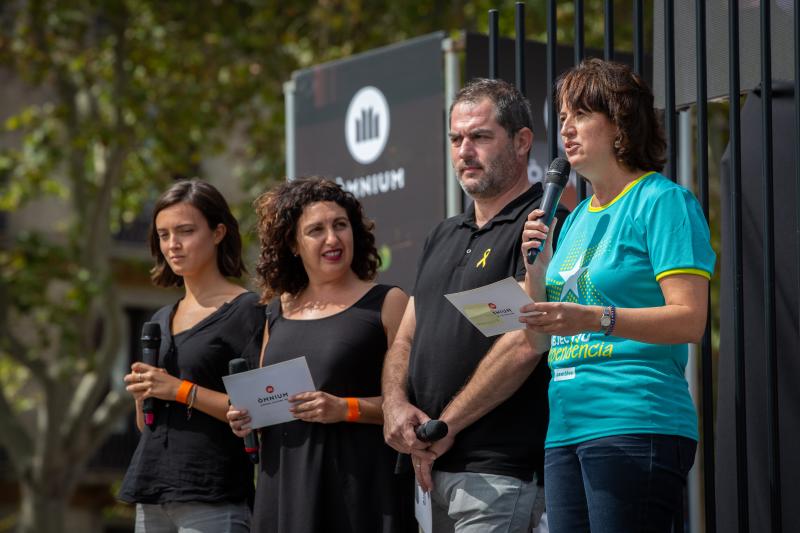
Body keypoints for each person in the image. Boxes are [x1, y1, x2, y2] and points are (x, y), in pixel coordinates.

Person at [518, 58, 716, 533]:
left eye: (581, 114)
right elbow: (540, 338)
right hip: (565, 426)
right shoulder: (575, 215)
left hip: (634, 417)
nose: (566, 127)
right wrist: (537, 267)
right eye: (562, 117)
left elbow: (689, 320)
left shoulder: (662, 201)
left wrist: (594, 318)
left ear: (621, 121)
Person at [382, 78, 568, 533]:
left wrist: (443, 427)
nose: (465, 150)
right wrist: (394, 405)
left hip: (500, 474)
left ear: (523, 141)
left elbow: (527, 343)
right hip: (428, 475)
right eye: (455, 139)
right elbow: (407, 334)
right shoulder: (442, 234)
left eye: (480, 137)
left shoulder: (545, 224)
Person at [226, 177, 414, 533]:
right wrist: (248, 417)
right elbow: (272, 403)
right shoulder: (275, 312)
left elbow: (416, 403)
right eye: (316, 230)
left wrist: (345, 408)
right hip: (282, 491)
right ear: (293, 245)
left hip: (361, 493)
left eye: (340, 225)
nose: (332, 238)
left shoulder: (388, 302)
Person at [119, 179, 262, 532]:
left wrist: (179, 390)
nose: (173, 245)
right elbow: (146, 426)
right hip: (151, 492)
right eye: (163, 235)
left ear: (217, 233)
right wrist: (144, 395)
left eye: (185, 231)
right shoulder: (158, 321)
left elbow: (260, 409)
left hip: (213, 493)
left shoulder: (248, 311)